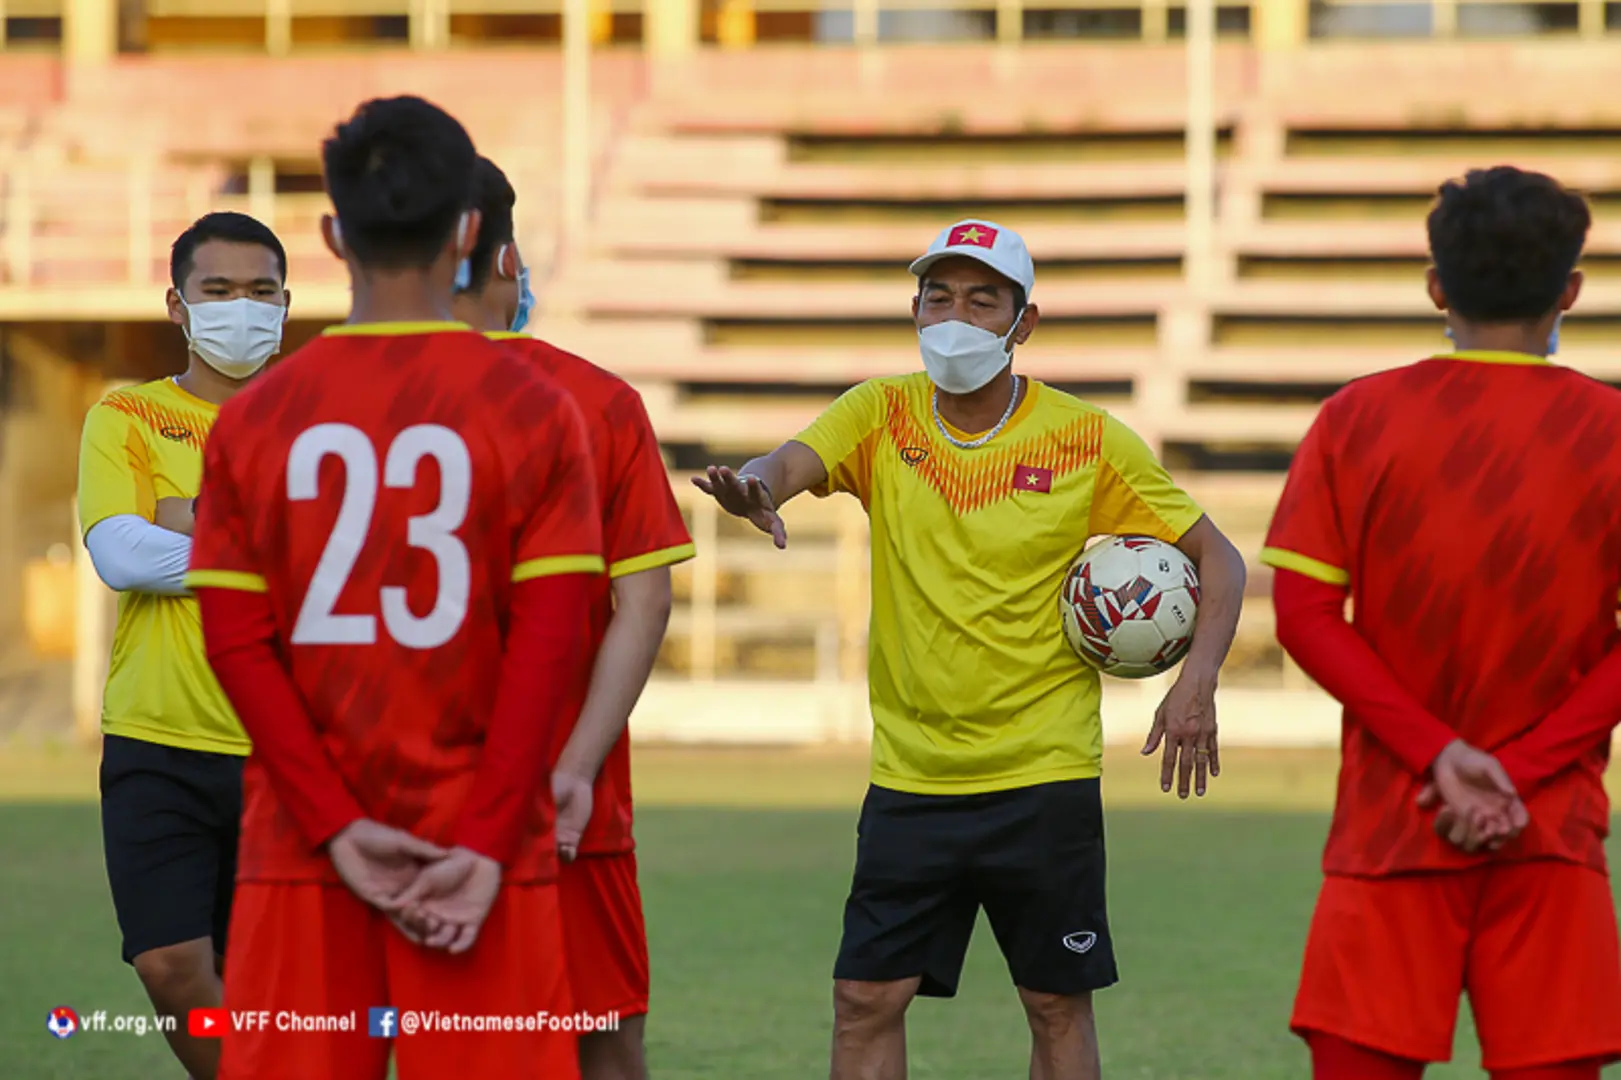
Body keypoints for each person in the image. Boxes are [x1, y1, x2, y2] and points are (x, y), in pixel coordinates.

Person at [692, 219, 1248, 1080]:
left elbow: (1218, 555)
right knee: (864, 1000)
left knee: (1055, 1005)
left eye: (981, 299)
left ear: (1023, 323)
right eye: (937, 296)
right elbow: (791, 461)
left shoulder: (1085, 438)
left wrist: (1196, 679)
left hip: (1042, 772)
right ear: (912, 309)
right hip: (911, 778)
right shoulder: (879, 412)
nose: (954, 316)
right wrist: (755, 488)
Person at [185, 96, 602, 1080]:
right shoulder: (541, 413)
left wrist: (333, 824)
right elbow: (553, 643)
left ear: (331, 235)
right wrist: (494, 840)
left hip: (304, 843)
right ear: (468, 231)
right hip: (482, 846)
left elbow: (238, 646)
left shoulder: (254, 421)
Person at [1263, 166, 1621, 1080]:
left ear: (1436, 287)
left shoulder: (1355, 419)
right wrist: (1518, 772)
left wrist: (1436, 755)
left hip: (1392, 823)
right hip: (1547, 828)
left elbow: (1306, 615)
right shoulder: (1611, 429)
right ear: (1570, 291)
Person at [451, 154, 693, 1080]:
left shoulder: (332, 403)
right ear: (505, 258)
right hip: (564, 794)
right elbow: (646, 597)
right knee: (602, 1042)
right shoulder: (598, 401)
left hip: (396, 792)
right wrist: (578, 766)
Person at [77, 209, 289, 1080]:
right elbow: (122, 553)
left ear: (285, 304)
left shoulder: (318, 427)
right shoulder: (125, 414)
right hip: (155, 738)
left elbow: (352, 564)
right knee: (171, 969)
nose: (241, 308)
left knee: (273, 978)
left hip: (285, 745)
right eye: (219, 291)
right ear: (178, 303)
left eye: (260, 291)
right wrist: (272, 553)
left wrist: (190, 527)